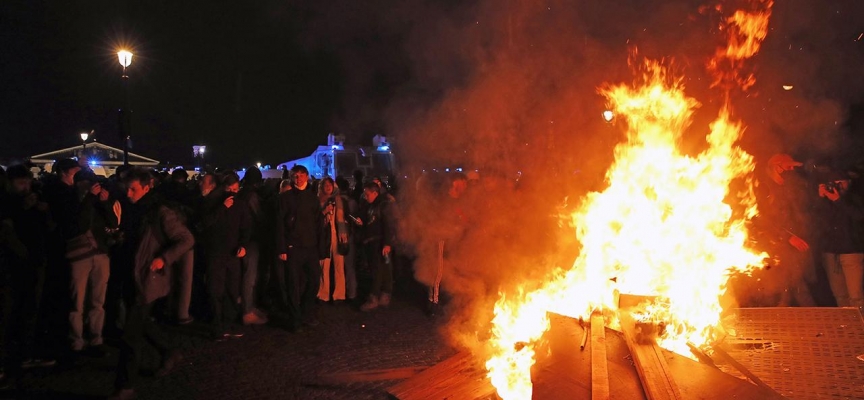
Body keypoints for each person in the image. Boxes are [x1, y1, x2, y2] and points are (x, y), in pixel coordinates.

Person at [110, 168, 194, 400]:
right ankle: (169, 351)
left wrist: (163, 258)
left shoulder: (160, 211)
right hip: (131, 274)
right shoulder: (132, 207)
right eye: (126, 188)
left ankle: (125, 386)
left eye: (133, 189)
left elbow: (186, 239)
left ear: (147, 187)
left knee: (130, 335)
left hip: (148, 278)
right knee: (139, 324)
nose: (128, 193)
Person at [43, 159, 117, 354]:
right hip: (78, 255)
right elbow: (79, 225)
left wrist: (105, 202)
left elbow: (112, 222)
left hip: (100, 253)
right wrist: (90, 200)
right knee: (77, 301)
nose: (91, 186)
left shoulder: (94, 201)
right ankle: (76, 340)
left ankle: (96, 338)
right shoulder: (72, 200)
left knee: (97, 301)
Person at [751, 153, 817, 307]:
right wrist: (788, 238)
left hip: (791, 248)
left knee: (797, 289)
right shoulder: (763, 189)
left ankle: (810, 322)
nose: (791, 171)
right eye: (788, 167)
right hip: (773, 249)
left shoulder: (787, 188)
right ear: (777, 168)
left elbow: (795, 216)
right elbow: (763, 220)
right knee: (780, 292)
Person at [197, 174, 250, 340]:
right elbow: (203, 225)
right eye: (229, 189)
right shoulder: (211, 203)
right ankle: (217, 326)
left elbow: (246, 227)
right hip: (215, 253)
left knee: (232, 289)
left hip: (233, 253)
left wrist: (243, 245)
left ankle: (227, 322)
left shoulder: (240, 205)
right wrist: (222, 208)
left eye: (235, 189)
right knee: (215, 290)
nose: (232, 192)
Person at [276, 165, 323, 331]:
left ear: (307, 176)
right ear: (291, 178)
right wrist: (282, 248)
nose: (299, 179)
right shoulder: (285, 198)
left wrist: (321, 248)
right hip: (293, 247)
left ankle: (304, 312)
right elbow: (280, 225)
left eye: (302, 175)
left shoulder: (312, 198)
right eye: (296, 176)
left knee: (314, 281)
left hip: (310, 247)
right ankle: (295, 319)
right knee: (293, 284)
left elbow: (319, 224)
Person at [814, 169, 864, 309]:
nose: (837, 186)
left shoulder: (856, 197)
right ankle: (848, 324)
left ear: (848, 183)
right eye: (833, 183)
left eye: (840, 182)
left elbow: (859, 215)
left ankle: (860, 326)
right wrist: (820, 198)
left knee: (856, 296)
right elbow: (816, 219)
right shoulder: (827, 200)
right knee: (839, 294)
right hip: (831, 253)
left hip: (851, 252)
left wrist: (838, 200)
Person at [357, 182, 396, 311]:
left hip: (380, 242)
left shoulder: (383, 205)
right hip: (372, 243)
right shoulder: (371, 205)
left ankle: (374, 297)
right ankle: (383, 295)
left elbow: (388, 225)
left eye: (367, 194)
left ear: (375, 193)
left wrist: (387, 243)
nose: (365, 196)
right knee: (379, 269)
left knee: (379, 270)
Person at [316, 177, 347, 304]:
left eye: (330, 185)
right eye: (325, 185)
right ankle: (323, 294)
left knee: (339, 265)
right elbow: (314, 220)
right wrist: (324, 212)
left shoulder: (338, 200)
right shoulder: (318, 201)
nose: (328, 187)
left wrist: (343, 231)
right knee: (324, 265)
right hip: (324, 236)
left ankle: (339, 295)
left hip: (337, 235)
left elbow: (341, 217)